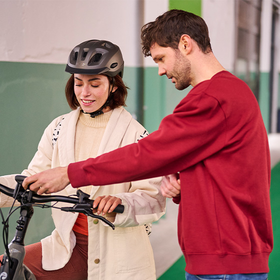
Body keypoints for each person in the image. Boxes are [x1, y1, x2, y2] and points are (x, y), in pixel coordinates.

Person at [22, 10, 273, 280]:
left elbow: (148, 154)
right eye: (79, 83)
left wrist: (69, 174)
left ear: (186, 44)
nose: (161, 70)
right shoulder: (227, 93)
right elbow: (230, 172)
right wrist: (182, 186)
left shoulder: (213, 98)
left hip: (225, 262)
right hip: (225, 257)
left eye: (161, 59)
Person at [0, 39, 166, 280]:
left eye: (95, 84)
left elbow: (153, 199)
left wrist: (119, 203)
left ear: (114, 86)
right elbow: (32, 180)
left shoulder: (136, 135)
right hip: (67, 248)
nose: (84, 93)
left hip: (119, 256)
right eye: (79, 83)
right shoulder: (58, 128)